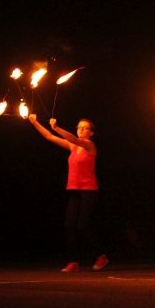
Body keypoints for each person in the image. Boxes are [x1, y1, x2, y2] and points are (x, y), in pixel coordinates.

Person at [28, 114, 108, 272]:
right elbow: (49, 136)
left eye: (85, 128)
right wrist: (34, 122)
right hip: (74, 190)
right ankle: (73, 261)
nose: (81, 129)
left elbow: (73, 139)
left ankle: (101, 256)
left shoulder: (89, 145)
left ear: (91, 133)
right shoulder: (73, 147)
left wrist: (57, 127)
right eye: (79, 127)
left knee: (82, 227)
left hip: (89, 190)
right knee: (69, 226)